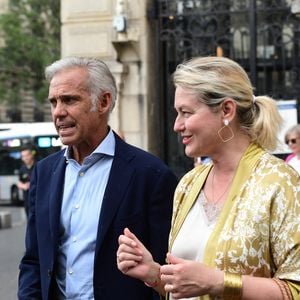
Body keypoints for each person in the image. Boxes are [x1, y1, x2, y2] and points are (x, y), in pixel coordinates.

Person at [117, 56, 300, 299]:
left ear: (226, 110)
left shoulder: (279, 182)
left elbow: (295, 289)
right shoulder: (188, 184)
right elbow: (187, 288)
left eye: (186, 113)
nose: (177, 125)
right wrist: (153, 273)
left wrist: (219, 282)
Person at [18, 56, 178, 300]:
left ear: (103, 102)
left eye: (69, 100)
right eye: (53, 102)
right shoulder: (43, 173)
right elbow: (34, 259)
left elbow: (164, 268)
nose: (58, 112)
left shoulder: (151, 175)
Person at [17, 145, 36, 217]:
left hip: (38, 200)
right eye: (23, 156)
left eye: (27, 155)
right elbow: (19, 182)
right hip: (27, 201)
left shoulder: (38, 166)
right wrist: (24, 186)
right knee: (29, 221)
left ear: (31, 155)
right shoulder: (22, 169)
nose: (25, 158)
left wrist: (32, 184)